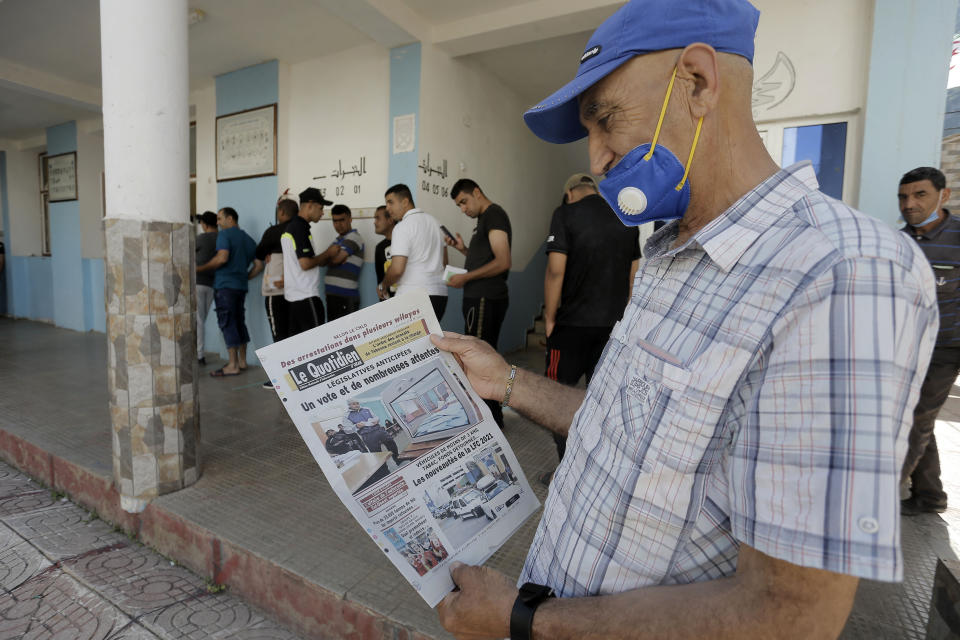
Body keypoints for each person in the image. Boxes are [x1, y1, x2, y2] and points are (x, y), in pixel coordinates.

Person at [431, 1, 939, 638]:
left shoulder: (843, 274)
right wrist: (505, 380)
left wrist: (525, 621)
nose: (597, 157)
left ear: (697, 82)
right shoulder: (670, 247)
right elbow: (629, 424)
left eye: (605, 119)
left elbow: (790, 615)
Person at [542, 173, 640, 471]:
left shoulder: (565, 213)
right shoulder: (626, 218)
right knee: (603, 402)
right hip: (613, 328)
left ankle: (565, 469)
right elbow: (634, 275)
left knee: (558, 399)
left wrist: (549, 317)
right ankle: (594, 471)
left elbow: (556, 270)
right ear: (594, 191)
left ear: (570, 193)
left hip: (571, 328)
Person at [898, 166, 959, 515]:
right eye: (904, 197)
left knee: (918, 417)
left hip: (948, 346)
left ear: (943, 195)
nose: (910, 204)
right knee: (920, 418)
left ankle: (890, 489)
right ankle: (930, 494)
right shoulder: (901, 241)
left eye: (919, 195)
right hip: (912, 346)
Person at [446, 179, 512, 430]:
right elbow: (486, 259)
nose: (463, 208)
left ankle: (491, 419)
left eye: (464, 201)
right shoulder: (483, 222)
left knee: (479, 359)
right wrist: (463, 250)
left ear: (477, 192)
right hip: (478, 297)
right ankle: (492, 416)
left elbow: (503, 261)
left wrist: (466, 277)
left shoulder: (494, 215)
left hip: (485, 297)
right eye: (458, 206)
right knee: (481, 357)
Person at [197, 207, 262, 378]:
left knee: (227, 322)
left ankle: (232, 365)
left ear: (230, 218)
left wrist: (200, 269)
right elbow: (259, 265)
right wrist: (245, 277)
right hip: (240, 287)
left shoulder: (224, 235)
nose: (217, 223)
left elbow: (222, 258)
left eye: (220, 219)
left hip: (225, 285)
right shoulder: (248, 240)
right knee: (239, 321)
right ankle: (242, 361)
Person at [380, 184, 448, 320]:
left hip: (413, 296)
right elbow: (445, 263)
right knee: (429, 340)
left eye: (390, 202)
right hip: (440, 295)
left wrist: (384, 285)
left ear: (405, 202)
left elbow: (397, 269)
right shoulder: (437, 224)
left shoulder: (402, 227)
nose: (387, 208)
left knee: (406, 341)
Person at [282, 187, 338, 337]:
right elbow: (305, 263)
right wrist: (329, 253)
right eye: (320, 208)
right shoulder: (299, 228)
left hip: (294, 298)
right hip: (306, 297)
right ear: (310, 205)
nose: (322, 212)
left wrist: (321, 259)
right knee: (315, 346)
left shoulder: (292, 227)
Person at [255, 198, 298, 387]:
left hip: (276, 288)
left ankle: (280, 378)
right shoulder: (300, 230)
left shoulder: (274, 231)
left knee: (278, 333)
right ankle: (293, 375)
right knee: (292, 331)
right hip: (296, 289)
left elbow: (258, 252)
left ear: (281, 213)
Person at [324, 204, 365, 321]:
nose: (338, 225)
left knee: (347, 337)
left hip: (346, 297)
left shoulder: (354, 237)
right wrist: (331, 258)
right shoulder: (337, 240)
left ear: (350, 219)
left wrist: (331, 258)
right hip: (333, 297)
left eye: (342, 220)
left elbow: (335, 259)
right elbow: (325, 261)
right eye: (335, 221)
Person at [194, 211, 219, 366]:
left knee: (198, 320)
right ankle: (199, 353)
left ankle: (199, 355)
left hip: (198, 282)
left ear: (205, 224)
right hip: (213, 284)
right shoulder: (221, 238)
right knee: (202, 319)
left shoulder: (201, 238)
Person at [373, 205, 396, 298]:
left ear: (390, 220)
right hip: (389, 302)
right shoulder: (379, 247)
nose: (374, 222)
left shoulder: (404, 241)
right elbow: (380, 279)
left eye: (378, 218)